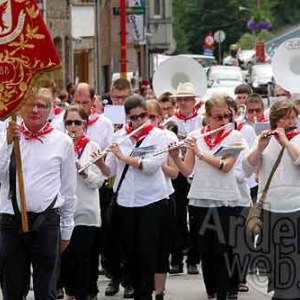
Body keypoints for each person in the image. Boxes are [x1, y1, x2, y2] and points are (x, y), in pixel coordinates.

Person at [0, 88, 77, 300]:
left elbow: (69, 189)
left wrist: (67, 228)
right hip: (10, 220)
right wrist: (7, 145)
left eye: (41, 105)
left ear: (49, 110)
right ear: (21, 108)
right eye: (30, 104)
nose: (35, 110)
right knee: (12, 288)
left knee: (46, 290)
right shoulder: (6, 136)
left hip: (47, 222)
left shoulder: (63, 142)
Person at [169, 94, 244, 300]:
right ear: (208, 118)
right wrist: (176, 156)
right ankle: (211, 291)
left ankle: (224, 292)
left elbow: (226, 167)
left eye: (226, 117)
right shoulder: (196, 136)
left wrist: (201, 154)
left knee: (223, 250)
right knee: (206, 252)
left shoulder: (234, 136)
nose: (224, 121)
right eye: (218, 117)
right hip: (199, 199)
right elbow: (187, 171)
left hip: (225, 200)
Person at [95, 95, 170, 300]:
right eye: (133, 117)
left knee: (148, 251)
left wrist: (123, 157)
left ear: (147, 114)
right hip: (126, 201)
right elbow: (110, 171)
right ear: (127, 117)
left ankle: (145, 294)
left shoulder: (159, 136)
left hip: (152, 201)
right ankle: (137, 291)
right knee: (130, 252)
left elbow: (151, 166)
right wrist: (99, 162)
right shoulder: (119, 136)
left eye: (142, 116)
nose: (138, 121)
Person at [243, 99, 300, 300]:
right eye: (287, 118)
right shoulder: (263, 139)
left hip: (295, 209)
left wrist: (286, 141)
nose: (292, 121)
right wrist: (259, 148)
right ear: (276, 120)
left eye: (294, 117)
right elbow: (246, 168)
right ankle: (280, 293)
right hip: (269, 209)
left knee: (293, 260)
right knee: (273, 261)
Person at [61, 105, 105, 300]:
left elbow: (99, 181)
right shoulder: (61, 146)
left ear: (84, 125)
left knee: (85, 258)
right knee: (66, 259)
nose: (72, 127)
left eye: (77, 123)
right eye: (68, 122)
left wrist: (83, 171)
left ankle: (88, 292)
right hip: (65, 211)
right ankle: (70, 293)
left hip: (86, 211)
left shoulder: (93, 147)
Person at [167, 82, 203, 275]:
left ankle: (193, 259)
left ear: (193, 101)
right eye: (180, 99)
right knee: (177, 216)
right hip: (178, 171)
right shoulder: (171, 122)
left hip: (197, 171)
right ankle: (176, 257)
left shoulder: (202, 122)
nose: (183, 103)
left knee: (196, 217)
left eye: (187, 99)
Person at [146, 100, 178, 300]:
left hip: (163, 196)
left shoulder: (168, 137)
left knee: (161, 246)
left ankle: (159, 291)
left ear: (160, 118)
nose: (148, 121)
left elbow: (174, 172)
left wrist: (154, 164)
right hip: (139, 199)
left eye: (152, 117)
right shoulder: (134, 137)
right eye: (145, 116)